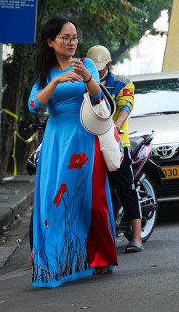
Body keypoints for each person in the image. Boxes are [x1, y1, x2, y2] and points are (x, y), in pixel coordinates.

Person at [28, 17, 117, 287]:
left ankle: (99, 258)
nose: (71, 42)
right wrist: (55, 83)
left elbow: (97, 96)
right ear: (50, 41)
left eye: (74, 37)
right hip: (57, 141)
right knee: (57, 202)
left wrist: (86, 76)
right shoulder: (45, 74)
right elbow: (34, 105)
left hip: (86, 137)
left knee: (92, 200)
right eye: (66, 38)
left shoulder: (84, 64)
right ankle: (56, 263)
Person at [85, 45, 142, 254]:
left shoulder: (122, 83)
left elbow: (126, 105)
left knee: (126, 187)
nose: (97, 72)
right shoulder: (81, 82)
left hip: (117, 143)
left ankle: (136, 236)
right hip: (89, 144)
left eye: (100, 68)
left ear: (109, 65)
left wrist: (115, 126)